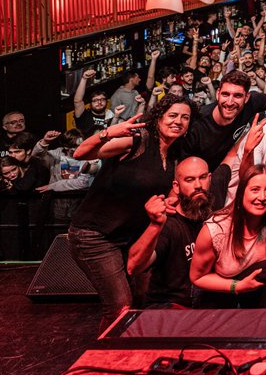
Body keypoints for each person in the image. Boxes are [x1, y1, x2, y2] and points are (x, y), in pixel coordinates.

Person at [68, 96, 194, 327]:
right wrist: (108, 133)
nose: (178, 121)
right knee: (119, 305)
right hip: (95, 236)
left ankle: (134, 350)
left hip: (130, 237)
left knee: (142, 297)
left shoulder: (175, 155)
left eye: (185, 117)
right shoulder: (138, 141)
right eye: (173, 115)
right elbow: (81, 154)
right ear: (159, 118)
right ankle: (105, 356)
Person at [190, 164, 266, 307]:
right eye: (255, 189)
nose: (262, 197)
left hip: (256, 301)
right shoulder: (216, 230)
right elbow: (197, 277)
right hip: (217, 300)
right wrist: (237, 286)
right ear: (242, 193)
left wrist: (264, 312)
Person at [127, 156, 217, 308]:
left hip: (205, 307)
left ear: (209, 178)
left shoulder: (214, 218)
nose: (198, 185)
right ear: (176, 186)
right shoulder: (169, 225)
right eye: (189, 180)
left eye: (202, 178)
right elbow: (133, 266)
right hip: (169, 308)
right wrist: (156, 224)